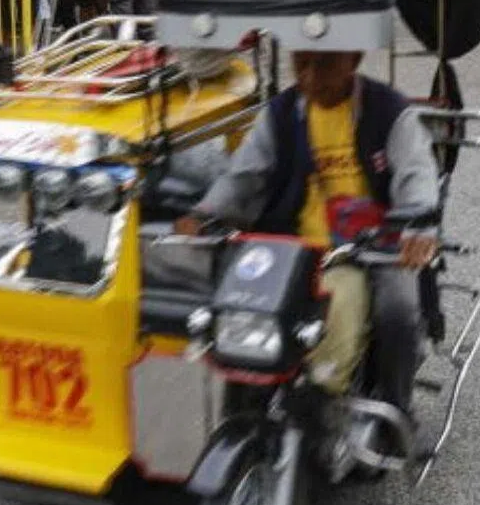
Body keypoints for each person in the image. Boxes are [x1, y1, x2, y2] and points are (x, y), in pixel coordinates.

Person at [175, 50, 439, 428]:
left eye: (326, 64)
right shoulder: (281, 113)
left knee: (398, 312)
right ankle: (246, 402)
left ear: (353, 59)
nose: (312, 77)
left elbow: (416, 175)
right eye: (302, 65)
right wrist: (205, 214)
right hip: (293, 246)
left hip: (376, 247)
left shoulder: (390, 112)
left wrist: (417, 225)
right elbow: (244, 175)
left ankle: (398, 408)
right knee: (232, 303)